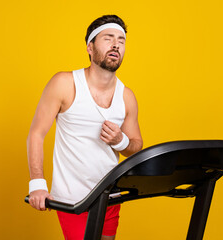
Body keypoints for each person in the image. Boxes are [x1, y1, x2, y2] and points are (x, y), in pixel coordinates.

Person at [27, 15, 143, 240]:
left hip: (110, 197)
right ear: (90, 47)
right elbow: (36, 133)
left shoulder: (127, 96)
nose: (116, 44)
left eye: (121, 40)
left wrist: (121, 141)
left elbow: (136, 146)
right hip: (73, 199)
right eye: (108, 38)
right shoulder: (64, 83)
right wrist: (37, 184)